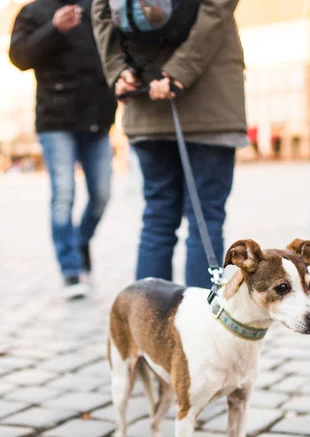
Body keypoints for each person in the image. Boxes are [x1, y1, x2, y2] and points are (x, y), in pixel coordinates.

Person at [92, 0, 246, 289]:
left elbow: (100, 10)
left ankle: (146, 325)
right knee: (205, 219)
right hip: (210, 98)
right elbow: (216, 9)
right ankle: (201, 325)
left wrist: (118, 69)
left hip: (142, 88)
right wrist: (179, 70)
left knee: (158, 219)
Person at [9, 0, 117, 300]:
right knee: (64, 194)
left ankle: (80, 240)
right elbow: (18, 57)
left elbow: (114, 49)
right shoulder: (33, 12)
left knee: (102, 194)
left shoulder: (96, 6)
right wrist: (53, 28)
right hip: (56, 120)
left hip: (97, 117)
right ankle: (70, 269)